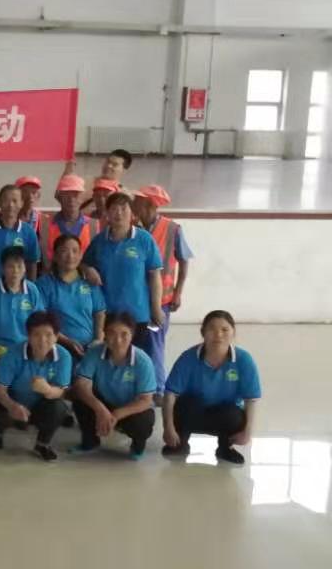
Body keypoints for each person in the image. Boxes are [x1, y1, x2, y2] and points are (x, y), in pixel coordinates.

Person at [162, 310, 260, 466]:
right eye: (212, 329)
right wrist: (168, 428)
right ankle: (179, 443)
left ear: (233, 332)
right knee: (185, 403)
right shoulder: (188, 358)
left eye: (224, 329)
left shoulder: (244, 360)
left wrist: (247, 432)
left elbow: (251, 399)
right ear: (203, 332)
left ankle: (225, 448)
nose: (218, 334)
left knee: (235, 416)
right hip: (193, 413)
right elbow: (170, 394)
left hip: (222, 417)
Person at [83, 192, 164, 373]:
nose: (118, 213)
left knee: (136, 363)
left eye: (123, 208)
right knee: (109, 363)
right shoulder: (99, 241)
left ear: (132, 213)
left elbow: (154, 275)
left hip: (137, 314)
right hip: (108, 314)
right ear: (107, 214)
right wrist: (88, 269)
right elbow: (83, 263)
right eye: (114, 209)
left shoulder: (144, 239)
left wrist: (156, 307)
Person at [70, 311, 157, 459]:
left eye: (124, 334)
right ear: (104, 334)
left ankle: (137, 446)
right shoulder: (94, 353)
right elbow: (81, 385)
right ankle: (90, 442)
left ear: (132, 335)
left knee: (144, 421)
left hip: (130, 408)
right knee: (79, 400)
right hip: (105, 403)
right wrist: (100, 409)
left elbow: (146, 400)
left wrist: (116, 415)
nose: (118, 340)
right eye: (111, 333)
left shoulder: (143, 361)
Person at [0, 310, 73, 460]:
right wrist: (12, 406)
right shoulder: (12, 354)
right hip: (13, 401)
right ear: (28, 336)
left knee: (59, 407)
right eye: (36, 335)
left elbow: (62, 391)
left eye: (48, 335)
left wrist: (48, 390)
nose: (42, 340)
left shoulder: (64, 356)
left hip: (40, 406)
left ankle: (43, 443)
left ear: (56, 336)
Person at [134, 184, 193, 394]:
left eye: (138, 201)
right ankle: (141, 386)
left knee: (154, 344)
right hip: (138, 299)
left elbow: (184, 261)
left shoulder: (172, 229)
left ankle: (158, 389)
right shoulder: (134, 228)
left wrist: (178, 292)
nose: (134, 204)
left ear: (150, 205)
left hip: (161, 302)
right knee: (137, 344)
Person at [36, 234, 106, 357]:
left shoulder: (89, 281)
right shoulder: (44, 284)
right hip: (56, 348)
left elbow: (99, 312)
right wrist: (67, 342)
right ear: (55, 256)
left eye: (75, 251)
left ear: (81, 255)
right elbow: (41, 319)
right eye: (64, 251)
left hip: (89, 348)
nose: (70, 256)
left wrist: (98, 339)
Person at [0, 246, 45, 366]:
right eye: (10, 266)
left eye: (19, 266)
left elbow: (40, 322)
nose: (15, 271)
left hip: (25, 349)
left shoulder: (32, 290)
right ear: (3, 268)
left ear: (25, 268)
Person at [39, 174, 98, 264]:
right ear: (59, 198)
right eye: (66, 195)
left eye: (76, 195)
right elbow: (46, 259)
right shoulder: (45, 224)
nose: (71, 199)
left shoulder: (94, 225)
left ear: (82, 198)